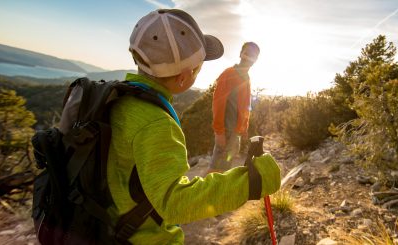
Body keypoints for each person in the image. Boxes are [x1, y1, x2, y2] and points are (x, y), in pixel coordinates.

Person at [107, 9, 280, 244]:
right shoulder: (156, 122)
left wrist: (243, 128)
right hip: (143, 238)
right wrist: (252, 182)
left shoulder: (119, 100)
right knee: (217, 164)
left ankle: (215, 204)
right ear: (184, 76)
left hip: (112, 224)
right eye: (200, 65)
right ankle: (213, 205)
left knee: (225, 164)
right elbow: (173, 202)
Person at [208, 42, 260, 173]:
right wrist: (219, 132)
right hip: (225, 131)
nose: (248, 58)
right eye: (246, 53)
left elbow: (245, 106)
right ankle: (197, 193)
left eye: (253, 55)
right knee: (214, 171)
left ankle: (218, 193)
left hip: (235, 133)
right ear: (240, 54)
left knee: (225, 169)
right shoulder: (229, 74)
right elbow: (218, 103)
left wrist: (244, 127)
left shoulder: (246, 78)